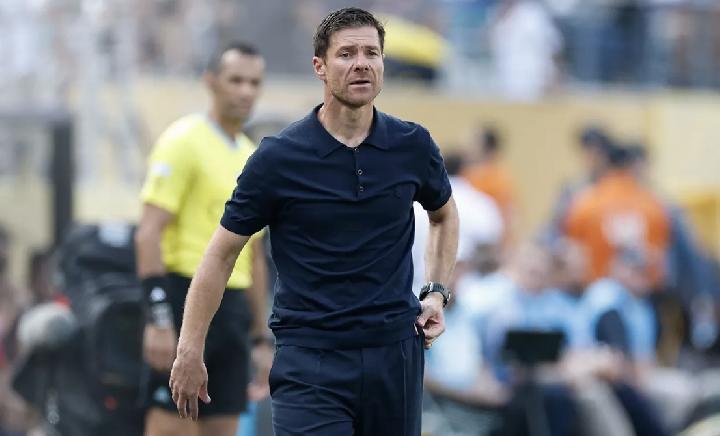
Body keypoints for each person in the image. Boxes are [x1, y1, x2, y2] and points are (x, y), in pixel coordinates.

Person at [169, 7, 459, 436]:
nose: (361, 63)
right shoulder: (278, 158)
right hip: (311, 362)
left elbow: (444, 215)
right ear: (319, 67)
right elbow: (221, 254)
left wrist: (435, 293)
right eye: (346, 54)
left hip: (395, 355)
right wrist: (189, 349)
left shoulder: (411, 145)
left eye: (371, 53)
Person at [135, 42, 271, 436]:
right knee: (172, 428)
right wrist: (159, 320)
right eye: (236, 80)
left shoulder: (253, 156)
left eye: (254, 82)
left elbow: (254, 254)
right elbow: (148, 234)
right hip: (184, 300)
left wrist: (260, 337)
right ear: (210, 82)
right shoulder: (183, 140)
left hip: (233, 312)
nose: (245, 91)